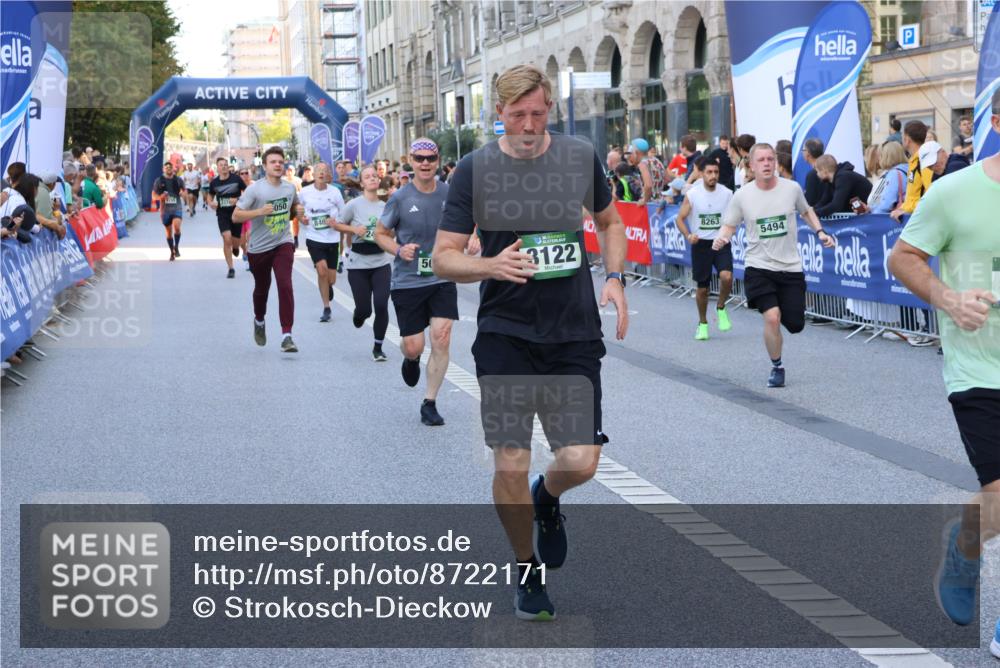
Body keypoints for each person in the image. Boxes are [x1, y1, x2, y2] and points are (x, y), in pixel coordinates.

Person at [433, 63, 629, 622]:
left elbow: (610, 222)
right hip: (506, 334)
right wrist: (489, 264)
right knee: (511, 462)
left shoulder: (577, 157)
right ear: (499, 113)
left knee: (581, 462)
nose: (527, 125)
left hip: (573, 331)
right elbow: (444, 256)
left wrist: (615, 277)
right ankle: (526, 568)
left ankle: (548, 497)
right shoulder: (475, 170)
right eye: (516, 115)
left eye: (538, 114)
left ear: (550, 110)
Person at [888, 89, 1000, 660]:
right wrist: (950, 300)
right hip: (980, 366)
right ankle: (966, 543)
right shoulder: (955, 191)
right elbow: (902, 257)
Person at [713, 143, 835, 387]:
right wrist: (722, 238)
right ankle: (777, 366)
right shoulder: (742, 195)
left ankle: (784, 325)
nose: (767, 164)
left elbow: (806, 211)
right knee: (772, 317)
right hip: (758, 266)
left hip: (790, 267)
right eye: (761, 160)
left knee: (795, 324)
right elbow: (729, 225)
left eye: (770, 159)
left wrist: (820, 231)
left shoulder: (792, 188)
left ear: (776, 163)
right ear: (751, 165)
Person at [374, 138, 456, 426]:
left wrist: (472, 237)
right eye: (419, 158)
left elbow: (467, 221)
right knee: (414, 346)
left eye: (430, 158)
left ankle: (429, 402)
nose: (425, 163)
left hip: (442, 276)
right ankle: (411, 359)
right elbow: (380, 233)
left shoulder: (449, 193)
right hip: (408, 280)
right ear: (411, 160)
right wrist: (398, 249)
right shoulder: (400, 198)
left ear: (437, 161)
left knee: (442, 336)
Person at [233, 146, 300, 353]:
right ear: (264, 166)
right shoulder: (255, 190)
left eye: (280, 161)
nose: (278, 165)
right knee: (262, 288)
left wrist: (298, 212)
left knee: (285, 285)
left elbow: (291, 211)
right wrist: (259, 212)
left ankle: (287, 335)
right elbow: (236, 216)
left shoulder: (289, 188)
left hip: (283, 242)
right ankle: (259, 320)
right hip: (259, 247)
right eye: (273, 162)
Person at [335, 164, 393, 361]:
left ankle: (378, 348)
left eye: (375, 176)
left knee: (382, 305)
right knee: (365, 310)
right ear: (361, 183)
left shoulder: (386, 207)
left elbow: (392, 232)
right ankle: (359, 314)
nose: (372, 178)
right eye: (367, 177)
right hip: (358, 264)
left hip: (381, 262)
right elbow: (337, 224)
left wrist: (388, 234)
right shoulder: (354, 205)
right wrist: (354, 230)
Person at [674, 156, 734, 340]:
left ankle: (721, 307)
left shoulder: (727, 193)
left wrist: (727, 233)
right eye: (709, 172)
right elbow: (679, 219)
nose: (713, 176)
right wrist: (688, 235)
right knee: (702, 289)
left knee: (727, 276)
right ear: (701, 174)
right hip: (701, 244)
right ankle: (703, 323)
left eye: (716, 172)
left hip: (721, 242)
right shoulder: (693, 194)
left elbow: (734, 217)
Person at [297, 162, 346, 323]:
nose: (321, 173)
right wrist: (301, 219)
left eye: (325, 171)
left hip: (332, 238)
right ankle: (326, 307)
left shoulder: (335, 192)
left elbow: (343, 212)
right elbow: (297, 209)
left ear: (329, 175)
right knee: (322, 270)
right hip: (314, 237)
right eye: (318, 170)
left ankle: (328, 285)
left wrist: (336, 222)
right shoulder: (305, 192)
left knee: (331, 278)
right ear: (314, 174)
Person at [207, 157, 247, 279]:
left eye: (225, 164)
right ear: (217, 168)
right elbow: (210, 196)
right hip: (222, 214)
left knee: (236, 241)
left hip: (236, 213)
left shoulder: (236, 179)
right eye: (221, 165)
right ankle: (231, 268)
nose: (224, 166)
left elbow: (247, 192)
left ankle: (236, 247)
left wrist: (238, 199)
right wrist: (211, 203)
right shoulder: (214, 183)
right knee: (226, 238)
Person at [891, 120, 932, 221]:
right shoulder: (913, 161)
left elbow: (931, 195)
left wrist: (906, 209)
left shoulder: (924, 161)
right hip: (913, 217)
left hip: (921, 220)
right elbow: (912, 196)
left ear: (907, 139)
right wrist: (901, 209)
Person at [152, 162, 185, 260]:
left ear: (172, 169)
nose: (168, 169)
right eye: (166, 167)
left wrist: (183, 193)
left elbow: (184, 190)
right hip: (165, 210)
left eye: (170, 167)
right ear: (163, 169)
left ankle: (176, 246)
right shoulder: (159, 180)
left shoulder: (178, 180)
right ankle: (172, 251)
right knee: (169, 232)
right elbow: (153, 195)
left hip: (177, 207)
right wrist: (160, 197)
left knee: (177, 227)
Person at [867, 141, 909, 215]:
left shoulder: (893, 174)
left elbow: (887, 203)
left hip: (895, 218)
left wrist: (873, 215)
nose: (879, 159)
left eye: (880, 156)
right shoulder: (909, 169)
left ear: (885, 157)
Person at [801, 138, 831, 208]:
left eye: (803, 150)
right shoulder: (829, 169)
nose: (802, 152)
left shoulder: (812, 175)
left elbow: (810, 201)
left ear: (808, 153)